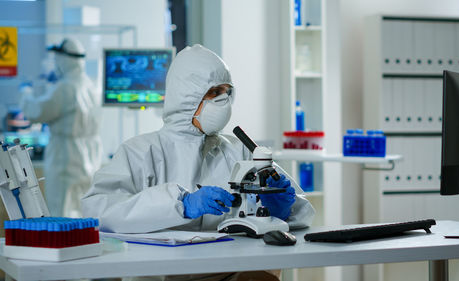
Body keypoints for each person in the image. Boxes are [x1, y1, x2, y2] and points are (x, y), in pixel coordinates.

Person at [82, 44, 314, 281]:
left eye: (227, 91)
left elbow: (302, 212)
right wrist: (180, 204)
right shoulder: (141, 152)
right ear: (186, 97)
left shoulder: (239, 150)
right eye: (214, 93)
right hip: (162, 276)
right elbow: (98, 210)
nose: (224, 100)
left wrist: (281, 210)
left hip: (231, 273)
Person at [20, 38, 102, 217]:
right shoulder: (90, 85)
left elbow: (36, 112)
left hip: (65, 156)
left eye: (57, 59)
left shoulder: (66, 87)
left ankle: (63, 245)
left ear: (66, 60)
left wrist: (25, 92)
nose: (55, 63)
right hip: (89, 157)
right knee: (84, 212)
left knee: (61, 209)